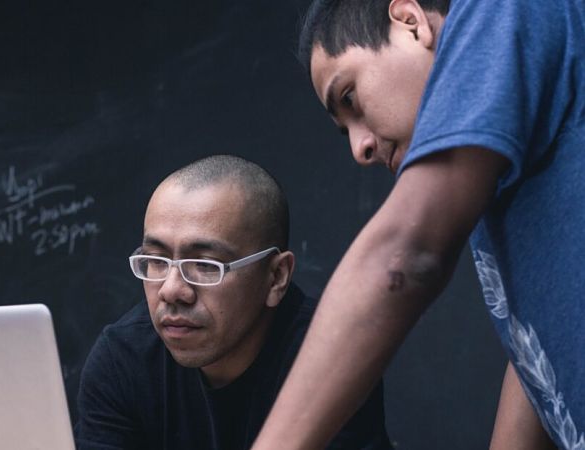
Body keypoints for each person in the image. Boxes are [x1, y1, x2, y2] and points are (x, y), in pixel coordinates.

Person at [251, 0, 584, 449]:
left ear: (409, 21)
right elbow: (534, 350)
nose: (359, 148)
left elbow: (405, 256)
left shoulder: (501, 10)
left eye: (349, 98)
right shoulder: (496, 177)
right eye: (344, 128)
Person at [75, 155, 392, 449]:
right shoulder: (123, 361)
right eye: (156, 260)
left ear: (276, 277)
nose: (171, 290)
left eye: (204, 265)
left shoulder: (333, 358)